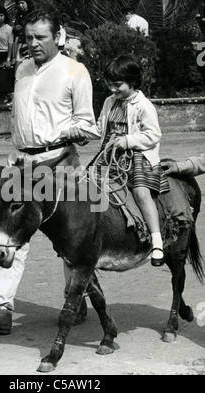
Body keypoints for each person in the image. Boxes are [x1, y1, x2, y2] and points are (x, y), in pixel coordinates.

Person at [0, 8, 100, 335]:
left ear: (58, 37)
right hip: (21, 162)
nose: (34, 43)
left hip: (59, 164)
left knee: (71, 237)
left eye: (41, 37)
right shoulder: (23, 69)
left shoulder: (75, 71)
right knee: (12, 234)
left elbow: (88, 123)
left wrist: (76, 131)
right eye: (28, 37)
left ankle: (77, 296)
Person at [94, 54, 169, 267]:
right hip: (109, 155)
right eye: (109, 85)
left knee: (140, 192)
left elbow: (154, 135)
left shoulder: (143, 105)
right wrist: (76, 132)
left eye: (117, 85)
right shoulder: (109, 102)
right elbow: (100, 128)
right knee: (88, 187)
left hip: (136, 157)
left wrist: (128, 141)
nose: (112, 90)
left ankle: (156, 241)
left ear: (133, 82)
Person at [11, 0, 35, 72]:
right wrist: (15, 28)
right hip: (19, 43)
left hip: (28, 43)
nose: (20, 5)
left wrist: (22, 27)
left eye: (22, 3)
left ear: (27, 3)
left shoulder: (32, 14)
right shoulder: (18, 14)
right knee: (18, 67)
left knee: (29, 66)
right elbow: (15, 31)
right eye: (18, 3)